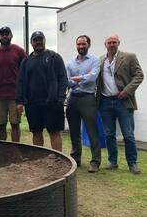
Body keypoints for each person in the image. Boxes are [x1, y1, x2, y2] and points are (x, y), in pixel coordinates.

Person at [97, 34, 144, 174]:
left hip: (123, 101)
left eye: (114, 42)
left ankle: (132, 163)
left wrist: (127, 91)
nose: (112, 44)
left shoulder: (129, 57)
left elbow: (139, 75)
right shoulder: (100, 60)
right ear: (105, 44)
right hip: (105, 102)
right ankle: (113, 161)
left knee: (128, 135)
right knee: (109, 134)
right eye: (109, 42)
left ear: (119, 43)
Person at [16, 31, 67, 151]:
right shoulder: (26, 61)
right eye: (35, 40)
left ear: (44, 40)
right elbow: (20, 81)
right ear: (31, 43)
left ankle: (57, 159)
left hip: (52, 103)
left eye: (40, 39)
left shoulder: (54, 57)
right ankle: (39, 160)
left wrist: (60, 99)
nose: (38, 42)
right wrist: (20, 101)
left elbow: (63, 78)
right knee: (36, 132)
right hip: (32, 103)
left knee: (54, 132)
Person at [66, 35, 101, 172]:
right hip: (73, 98)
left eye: (84, 44)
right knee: (74, 131)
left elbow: (93, 77)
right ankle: (76, 158)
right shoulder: (70, 63)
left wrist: (78, 78)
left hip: (88, 98)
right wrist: (80, 79)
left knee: (92, 131)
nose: (81, 46)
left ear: (89, 45)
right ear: (76, 45)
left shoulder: (95, 60)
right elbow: (67, 80)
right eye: (79, 44)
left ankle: (95, 162)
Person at [0, 26, 26, 141]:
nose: (4, 36)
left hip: (15, 96)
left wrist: (23, 96)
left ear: (11, 35)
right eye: (2, 34)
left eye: (7, 34)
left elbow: (25, 72)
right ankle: (3, 151)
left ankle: (15, 149)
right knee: (1, 125)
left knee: (15, 124)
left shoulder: (19, 51)